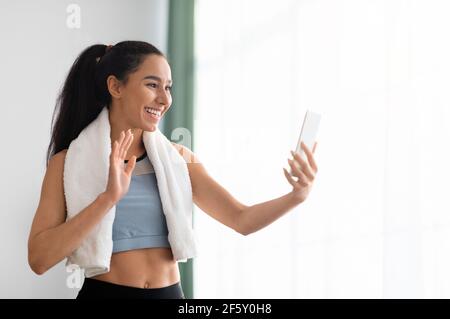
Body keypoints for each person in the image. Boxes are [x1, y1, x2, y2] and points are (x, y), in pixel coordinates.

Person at [27, 41, 318, 299]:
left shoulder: (180, 159)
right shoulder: (67, 162)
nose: (164, 99)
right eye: (152, 85)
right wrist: (108, 198)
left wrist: (297, 196)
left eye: (168, 87)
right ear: (115, 87)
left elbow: (241, 219)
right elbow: (39, 259)